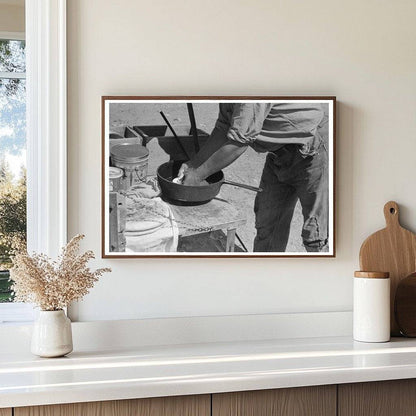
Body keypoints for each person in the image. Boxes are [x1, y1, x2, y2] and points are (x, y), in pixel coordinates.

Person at [179, 102, 329, 252]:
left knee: (315, 233)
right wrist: (192, 165)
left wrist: (198, 176)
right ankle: (265, 272)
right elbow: (223, 128)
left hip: (313, 147)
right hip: (279, 153)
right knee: (268, 222)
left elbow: (240, 141)